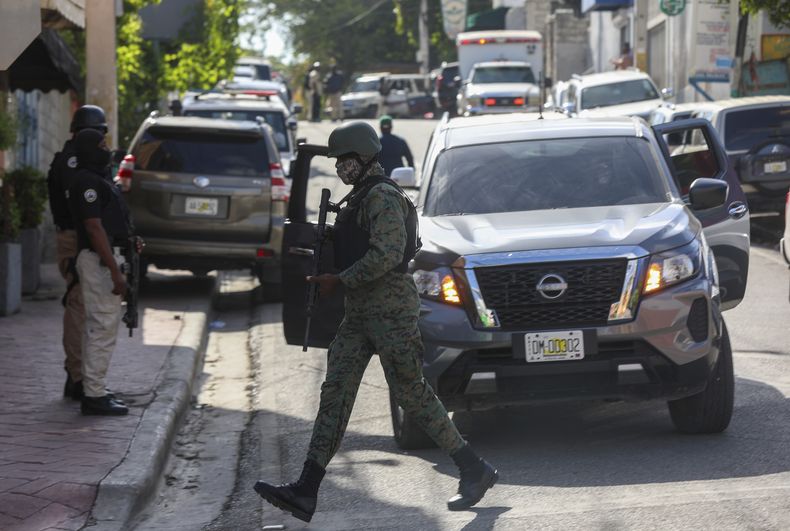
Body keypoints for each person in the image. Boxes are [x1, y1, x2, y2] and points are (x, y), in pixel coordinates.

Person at [253, 122, 497, 523]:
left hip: (390, 311)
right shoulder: (360, 198)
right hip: (360, 312)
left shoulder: (382, 196)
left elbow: (388, 253)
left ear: (363, 158)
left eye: (344, 161)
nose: (339, 169)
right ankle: (306, 489)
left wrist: (340, 279)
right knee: (335, 392)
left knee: (411, 394)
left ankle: (473, 468)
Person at [69, 128, 137, 416]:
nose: (106, 148)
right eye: (101, 144)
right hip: (99, 262)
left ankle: (94, 388)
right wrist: (115, 271)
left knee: (99, 326)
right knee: (103, 326)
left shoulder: (99, 179)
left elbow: (110, 221)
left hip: (106, 258)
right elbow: (94, 228)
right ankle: (93, 395)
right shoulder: (86, 181)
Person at [46, 105, 108, 401]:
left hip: (81, 235)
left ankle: (80, 374)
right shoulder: (72, 161)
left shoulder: (77, 158)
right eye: (100, 135)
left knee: (84, 306)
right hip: (75, 236)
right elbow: (83, 205)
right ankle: (77, 377)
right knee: (78, 305)